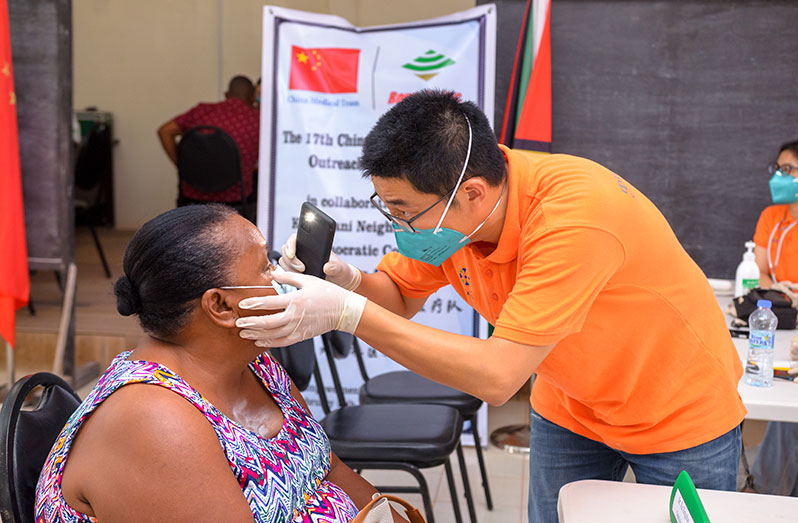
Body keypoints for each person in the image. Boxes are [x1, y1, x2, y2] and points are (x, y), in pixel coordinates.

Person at [234, 90, 747, 522]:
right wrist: (348, 282)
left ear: (472, 193)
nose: (398, 226)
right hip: (571, 405)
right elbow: (402, 296)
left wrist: (349, 314)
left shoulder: (574, 218)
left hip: (674, 410)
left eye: (405, 212)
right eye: (387, 208)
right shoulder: (458, 217)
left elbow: (499, 376)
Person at [34, 205, 379, 522]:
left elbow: (327, 468)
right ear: (221, 306)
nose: (282, 277)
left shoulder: (257, 365)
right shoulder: (154, 418)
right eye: (266, 268)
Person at [747, 139, 798, 497]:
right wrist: (779, 287)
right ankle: (762, 488)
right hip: (778, 320)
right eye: (778, 169)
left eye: (789, 170)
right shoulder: (772, 217)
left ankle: (765, 490)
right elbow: (761, 273)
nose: (780, 176)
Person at [157, 75, 259, 206]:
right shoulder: (257, 120)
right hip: (236, 199)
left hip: (193, 196)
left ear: (226, 94)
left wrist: (181, 166)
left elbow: (164, 131)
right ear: (252, 97)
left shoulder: (200, 111)